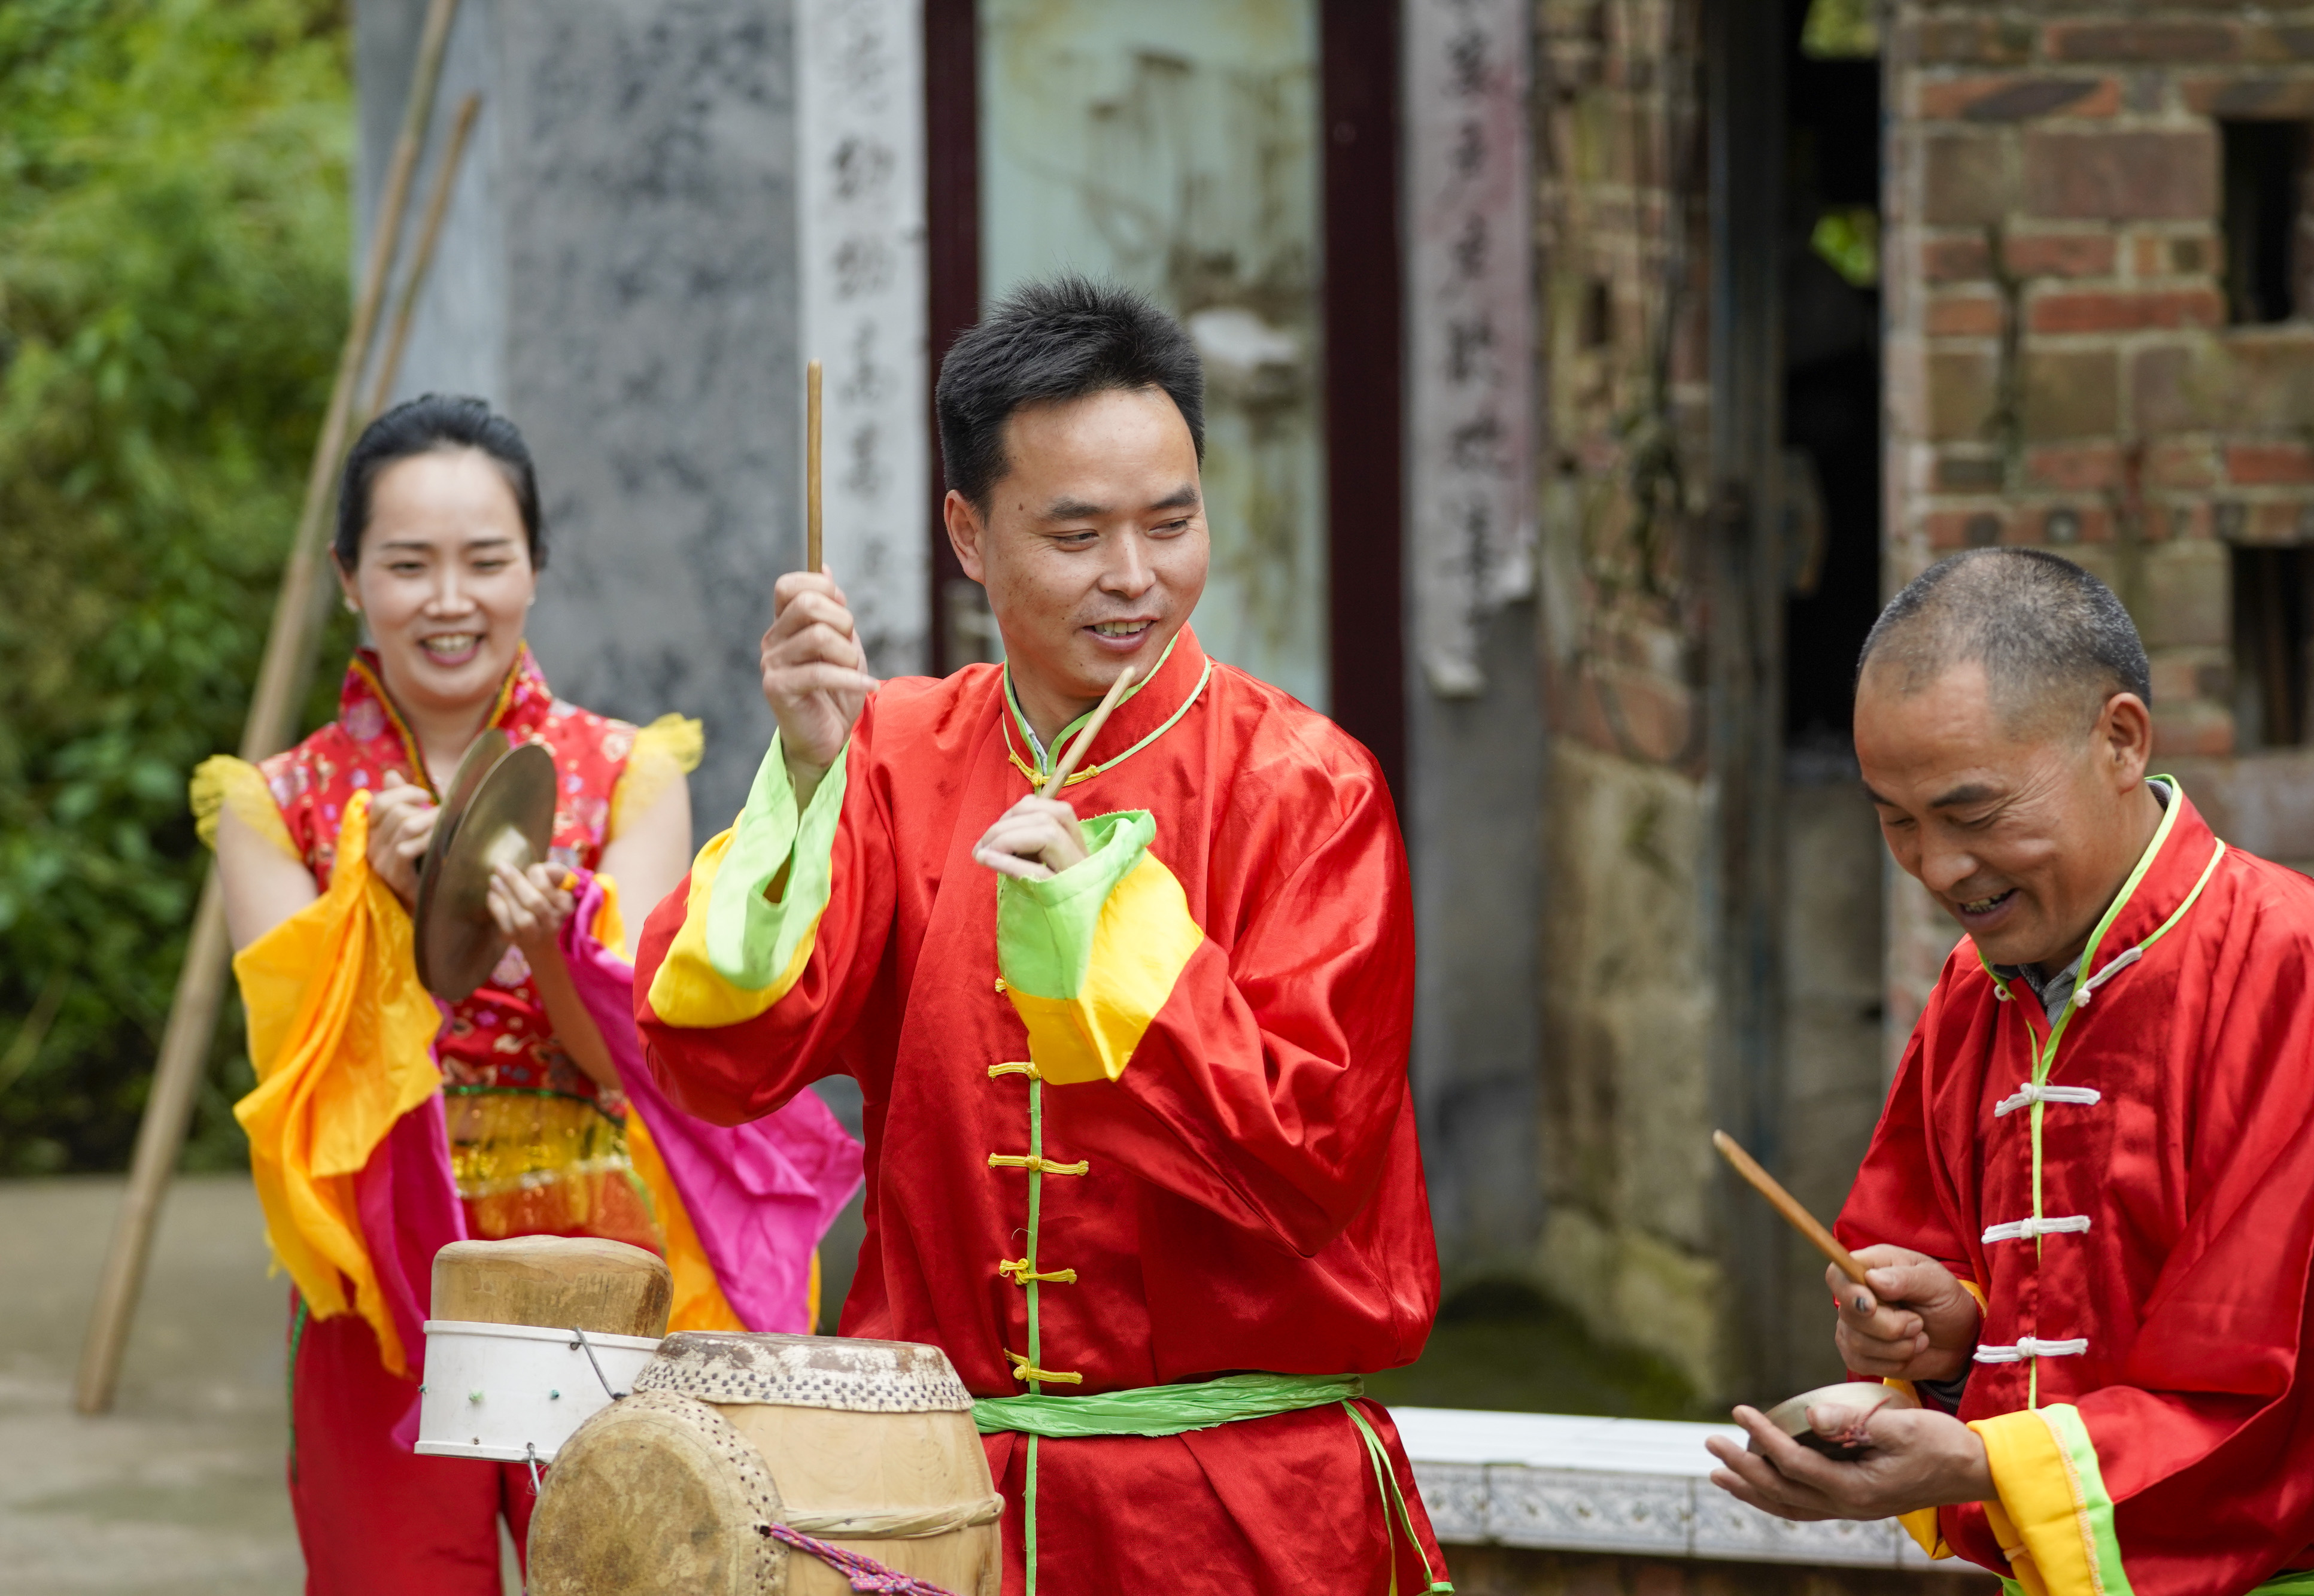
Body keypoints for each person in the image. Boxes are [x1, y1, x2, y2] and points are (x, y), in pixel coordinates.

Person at [634, 276, 1449, 1595]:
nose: (1133, 576)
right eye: (1075, 533)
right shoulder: (894, 753)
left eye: (1170, 523)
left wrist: (1102, 935)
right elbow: (715, 1056)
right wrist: (802, 771)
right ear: (967, 532)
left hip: (1231, 1502)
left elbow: (1310, 1150)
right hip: (938, 1503)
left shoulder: (1306, 785)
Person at [199, 394, 859, 1594]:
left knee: (616, 1570)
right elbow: (297, 1073)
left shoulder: (626, 770)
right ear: (349, 577)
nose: (449, 599)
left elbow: (625, 1063)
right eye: (408, 563)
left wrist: (554, 946)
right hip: (383, 1269)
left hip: (592, 1251)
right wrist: (386, 911)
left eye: (485, 560)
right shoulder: (274, 799)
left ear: (536, 569)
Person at [1705, 549, 2314, 1594]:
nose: (1938, 868)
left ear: (2120, 739)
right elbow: (1942, 1265)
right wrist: (1942, 1339)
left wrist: (1984, 1461)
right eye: (1896, 819)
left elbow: (2281, 1380)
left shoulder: (2303, 965)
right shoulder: (1970, 986)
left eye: (1973, 815)